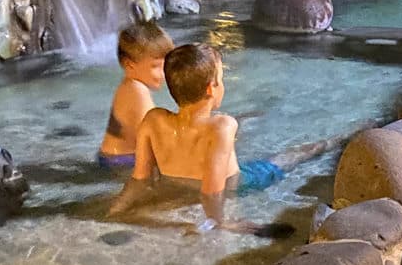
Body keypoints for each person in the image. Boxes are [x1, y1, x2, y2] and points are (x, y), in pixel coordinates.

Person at [108, 42, 284, 227]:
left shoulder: (153, 119)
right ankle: (316, 147)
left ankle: (257, 115)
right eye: (221, 79)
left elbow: (140, 178)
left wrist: (118, 208)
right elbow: (212, 191)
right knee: (287, 158)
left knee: (245, 125)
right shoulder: (222, 126)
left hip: (178, 186)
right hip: (241, 185)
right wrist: (219, 222)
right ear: (210, 88)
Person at [98, 21, 174, 168]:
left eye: (166, 65)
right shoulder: (137, 91)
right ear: (130, 65)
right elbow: (156, 140)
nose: (164, 73)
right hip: (121, 164)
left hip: (112, 159)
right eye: (155, 66)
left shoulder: (129, 86)